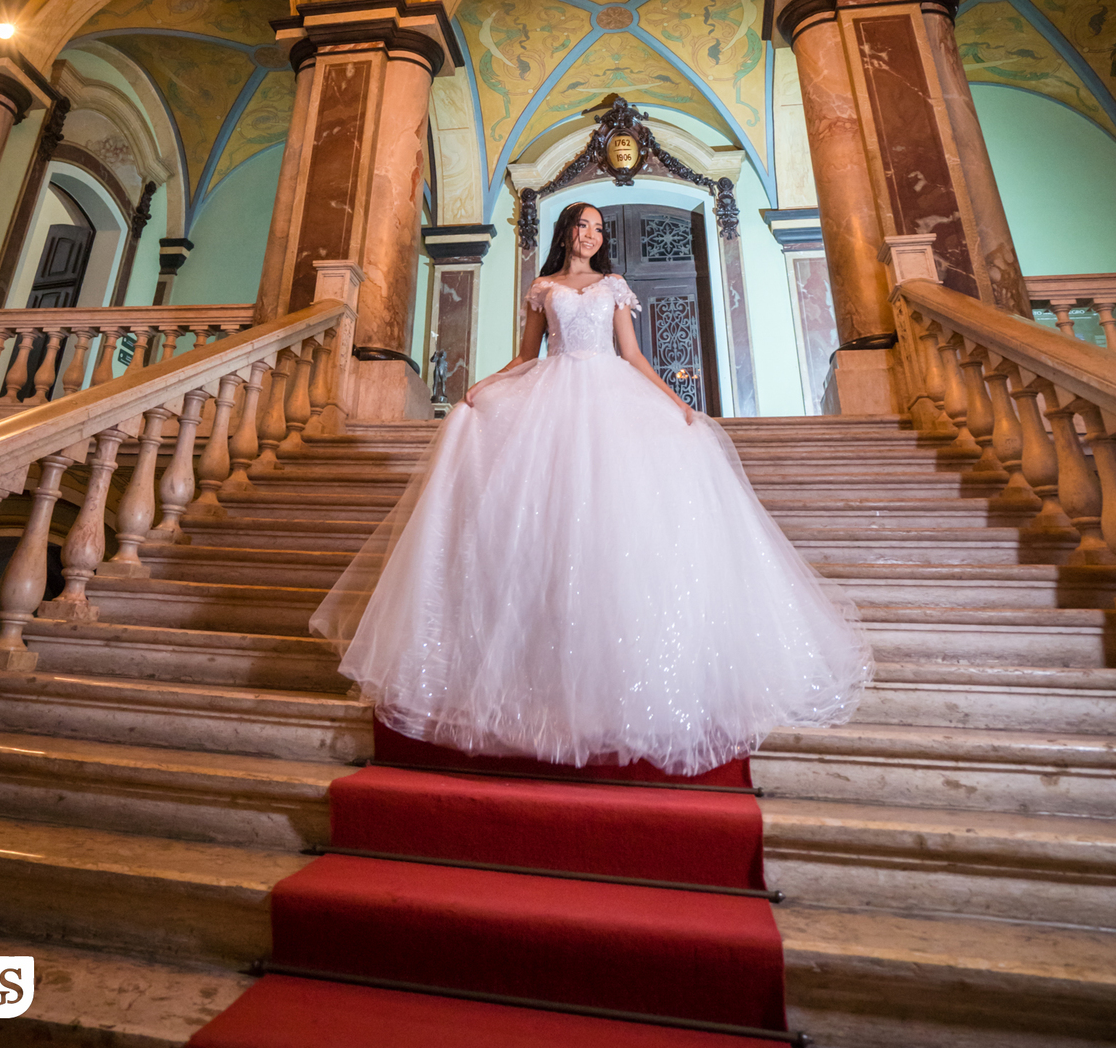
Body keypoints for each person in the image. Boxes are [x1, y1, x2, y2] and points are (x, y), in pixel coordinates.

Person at [312, 201, 873, 774]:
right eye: (582, 225)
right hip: (550, 399)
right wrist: (481, 385)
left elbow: (631, 354)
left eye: (598, 229)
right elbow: (526, 355)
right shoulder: (544, 286)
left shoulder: (614, 285)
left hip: (611, 399)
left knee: (614, 525)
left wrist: (678, 404)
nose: (590, 234)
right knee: (547, 526)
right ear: (566, 233)